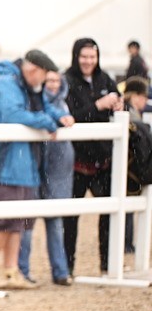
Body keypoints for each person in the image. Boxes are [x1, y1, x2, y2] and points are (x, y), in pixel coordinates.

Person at [0, 50, 73, 290]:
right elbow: (14, 114)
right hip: (2, 165)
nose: (43, 83)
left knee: (19, 222)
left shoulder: (29, 87)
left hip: (25, 165)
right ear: (33, 71)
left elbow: (42, 108)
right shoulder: (5, 85)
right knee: (4, 222)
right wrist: (48, 122)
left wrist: (61, 117)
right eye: (42, 77)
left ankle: (11, 271)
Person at [63, 38, 122, 275]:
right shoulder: (67, 81)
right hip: (76, 160)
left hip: (103, 160)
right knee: (70, 218)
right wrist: (97, 105)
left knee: (108, 214)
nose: (88, 61)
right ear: (76, 56)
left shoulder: (105, 79)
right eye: (84, 56)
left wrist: (118, 104)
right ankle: (67, 267)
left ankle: (107, 265)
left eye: (92, 57)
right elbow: (72, 115)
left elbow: (119, 101)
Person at [18, 70, 74, 286]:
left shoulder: (64, 105)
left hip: (58, 169)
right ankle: (23, 269)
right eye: (49, 80)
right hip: (34, 165)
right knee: (27, 223)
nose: (52, 84)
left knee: (55, 222)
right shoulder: (34, 101)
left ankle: (60, 271)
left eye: (56, 81)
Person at [122, 77, 149, 251]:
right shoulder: (129, 115)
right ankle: (126, 243)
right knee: (127, 206)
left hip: (128, 167)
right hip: (129, 168)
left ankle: (126, 242)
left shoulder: (131, 114)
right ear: (136, 96)